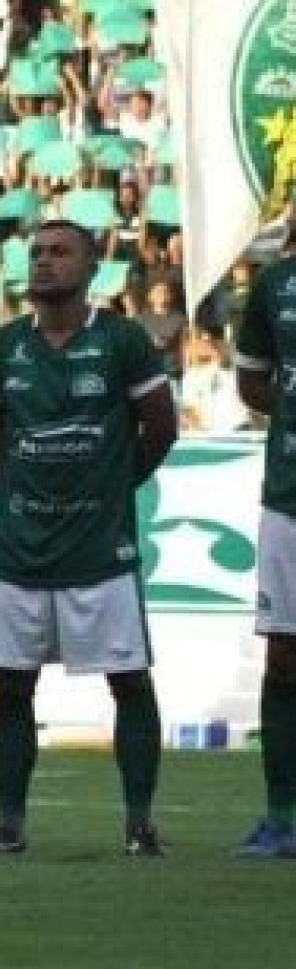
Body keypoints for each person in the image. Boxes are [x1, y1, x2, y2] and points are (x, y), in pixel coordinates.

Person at [0, 220, 177, 856]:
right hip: (19, 548)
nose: (44, 262)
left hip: (100, 551)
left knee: (129, 683)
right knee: (10, 686)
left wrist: (113, 482)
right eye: (37, 253)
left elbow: (160, 429)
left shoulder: (122, 340)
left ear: (91, 268)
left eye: (60, 252)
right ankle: (9, 826)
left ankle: (139, 825)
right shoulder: (3, 346)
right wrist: (33, 477)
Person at [232, 228, 296, 857]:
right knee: (284, 657)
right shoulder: (275, 285)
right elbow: (252, 382)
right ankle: (282, 815)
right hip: (288, 497)